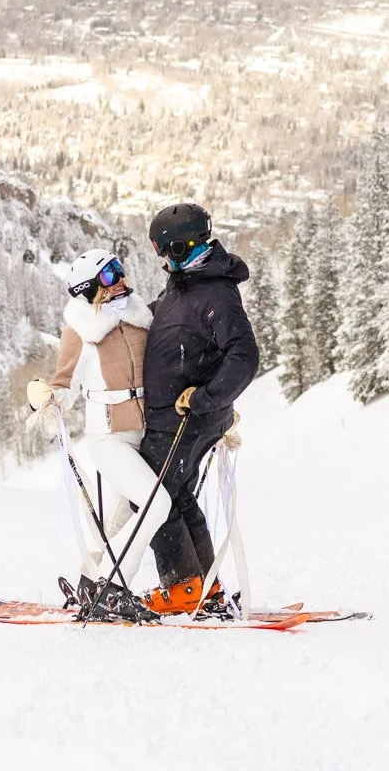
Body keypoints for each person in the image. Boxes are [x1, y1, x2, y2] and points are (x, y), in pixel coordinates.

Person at [25, 249, 165, 623]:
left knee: (116, 524)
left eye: (120, 268)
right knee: (157, 504)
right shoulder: (80, 332)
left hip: (144, 434)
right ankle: (111, 587)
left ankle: (90, 582)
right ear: (89, 290)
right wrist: (47, 397)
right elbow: (65, 386)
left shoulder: (141, 319)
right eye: (108, 276)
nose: (120, 278)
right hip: (107, 439)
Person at [138, 202, 260, 616]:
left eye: (165, 253)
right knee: (176, 495)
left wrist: (206, 398)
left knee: (150, 494)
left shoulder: (215, 293)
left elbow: (244, 356)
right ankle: (202, 586)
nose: (164, 263)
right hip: (172, 419)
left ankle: (184, 588)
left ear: (181, 247)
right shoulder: (187, 283)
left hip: (185, 419)